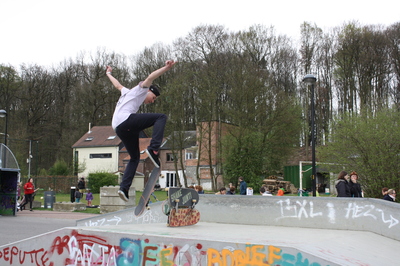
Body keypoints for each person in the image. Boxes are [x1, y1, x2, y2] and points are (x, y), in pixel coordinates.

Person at [106, 60, 177, 202]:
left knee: (135, 158)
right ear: (149, 91)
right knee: (161, 117)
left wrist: (108, 73)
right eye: (154, 97)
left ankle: (124, 188)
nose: (153, 101)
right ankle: (153, 149)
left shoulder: (126, 92)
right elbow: (150, 77)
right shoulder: (142, 89)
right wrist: (166, 68)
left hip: (120, 128)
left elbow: (117, 85)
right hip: (126, 120)